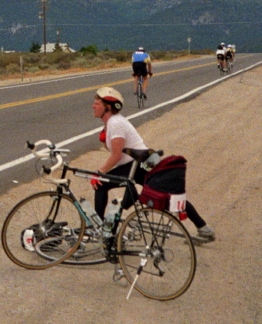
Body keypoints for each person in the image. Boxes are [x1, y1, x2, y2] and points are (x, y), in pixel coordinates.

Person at [92, 85, 215, 240]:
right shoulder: (111, 123)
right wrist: (104, 139)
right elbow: (117, 151)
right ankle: (204, 228)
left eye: (97, 103)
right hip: (138, 164)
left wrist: (99, 173)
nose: (93, 106)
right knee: (168, 196)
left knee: (100, 183)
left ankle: (101, 228)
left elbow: (116, 155)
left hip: (136, 165)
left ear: (108, 107)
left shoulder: (115, 123)